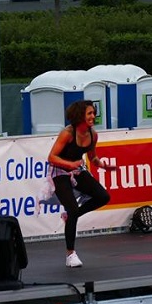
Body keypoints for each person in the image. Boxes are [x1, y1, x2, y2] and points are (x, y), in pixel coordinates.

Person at [48, 100, 117, 268]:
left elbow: (92, 157)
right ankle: (70, 254)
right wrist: (69, 165)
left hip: (77, 171)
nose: (93, 116)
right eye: (89, 113)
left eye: (94, 113)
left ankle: (72, 215)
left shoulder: (93, 135)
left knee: (103, 196)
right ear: (79, 116)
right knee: (71, 209)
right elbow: (51, 158)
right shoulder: (67, 134)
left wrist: (104, 166)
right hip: (59, 172)